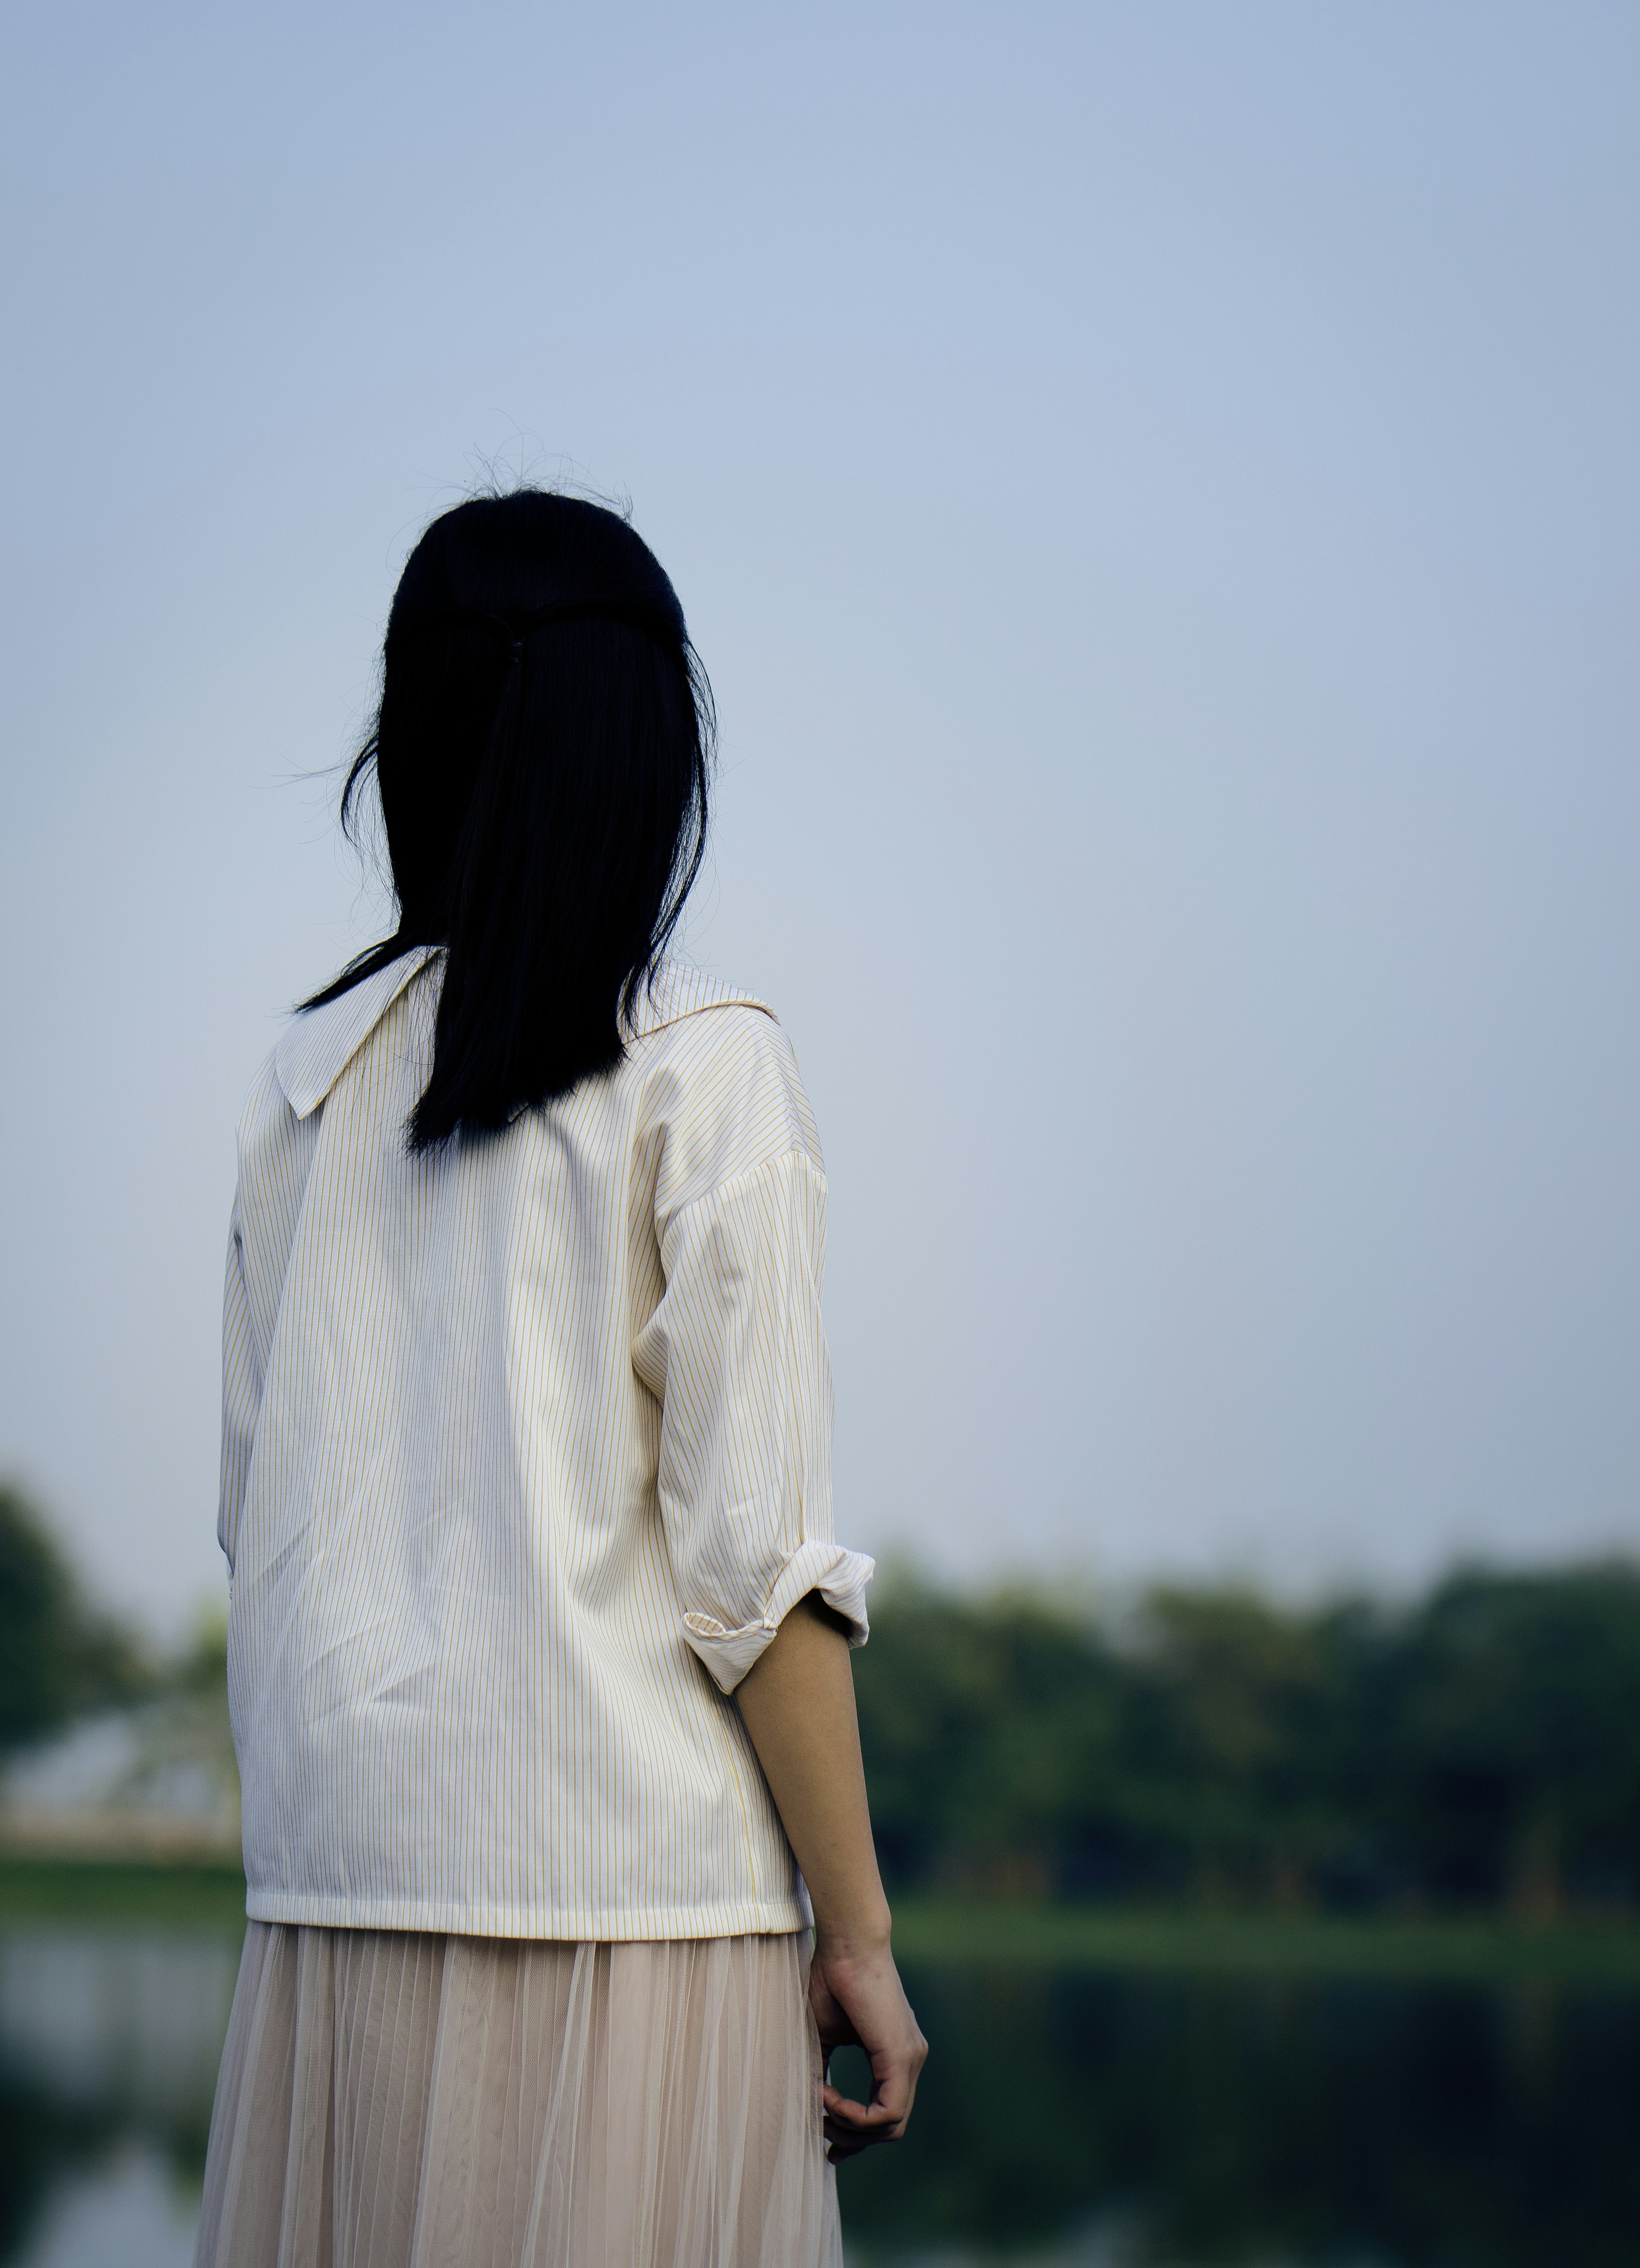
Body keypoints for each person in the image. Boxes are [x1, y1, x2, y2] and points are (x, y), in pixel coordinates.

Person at [194, 490, 926, 2267]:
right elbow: (754, 1579)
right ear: (651, 751)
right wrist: (863, 1938)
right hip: (642, 1922)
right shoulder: (705, 1068)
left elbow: (250, 1524)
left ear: (416, 741)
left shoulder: (307, 1089)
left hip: (337, 1920)